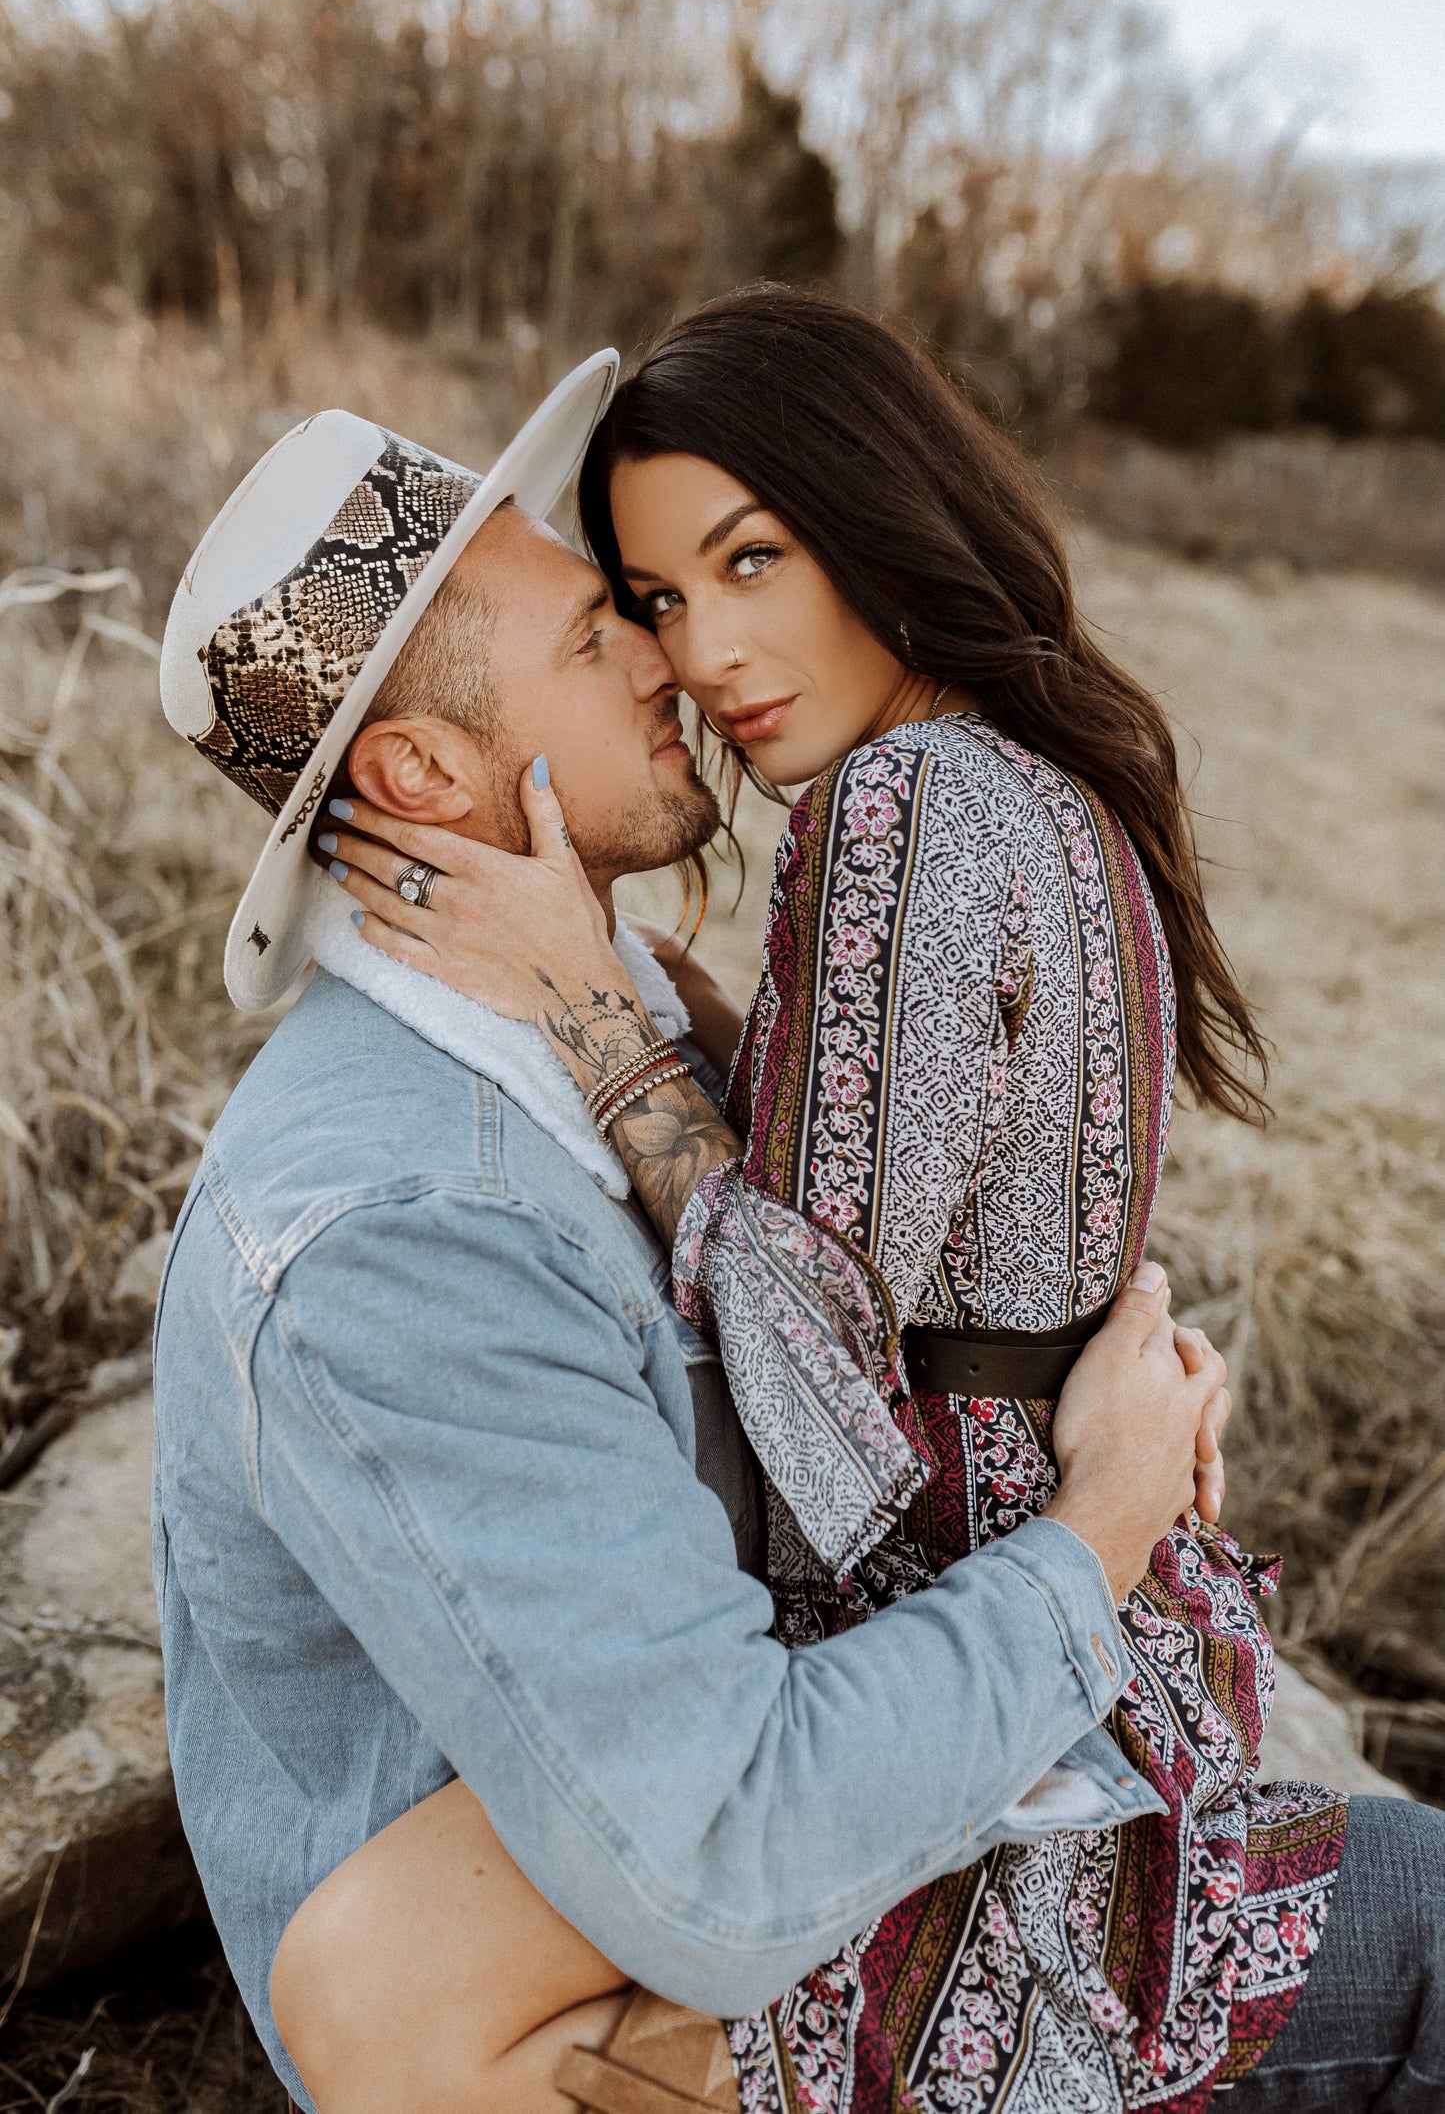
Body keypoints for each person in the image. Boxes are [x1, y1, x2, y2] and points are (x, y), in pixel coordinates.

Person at [311, 292, 1442, 2114]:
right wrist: (691, 1012)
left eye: (752, 560)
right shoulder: (1030, 775)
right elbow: (933, 1158)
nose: (705, 654)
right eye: (662, 602)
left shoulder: (901, 805)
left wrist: (598, 1026)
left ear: (873, 513)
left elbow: (807, 1332)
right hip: (1073, 1586)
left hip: (974, 1608)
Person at [153, 365, 1229, 2114]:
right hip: (609, 1985)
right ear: (422, 767)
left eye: (711, 578)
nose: (675, 660)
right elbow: (720, 1853)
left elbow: (896, 1239)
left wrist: (1085, 1373)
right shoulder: (403, 1231)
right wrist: (1105, 1511)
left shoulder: (633, 977)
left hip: (848, 1797)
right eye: (610, 626)